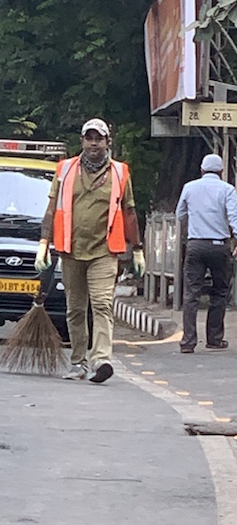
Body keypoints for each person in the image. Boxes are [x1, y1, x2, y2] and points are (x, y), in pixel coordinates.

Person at [36, 118, 143, 384]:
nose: (94, 143)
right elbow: (52, 208)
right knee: (75, 309)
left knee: (102, 304)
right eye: (89, 138)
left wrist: (137, 248)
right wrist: (43, 243)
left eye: (99, 139)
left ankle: (101, 359)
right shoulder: (65, 170)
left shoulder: (120, 172)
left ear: (108, 142)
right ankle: (78, 362)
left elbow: (129, 212)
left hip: (104, 251)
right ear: (82, 141)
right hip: (71, 250)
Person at [175, 154, 237, 353]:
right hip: (219, 246)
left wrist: (196, 220)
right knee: (220, 291)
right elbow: (234, 215)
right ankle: (214, 338)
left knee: (191, 294)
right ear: (221, 171)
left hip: (196, 245)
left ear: (202, 170)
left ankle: (188, 341)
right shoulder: (227, 189)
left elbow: (180, 214)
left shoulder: (189, 187)